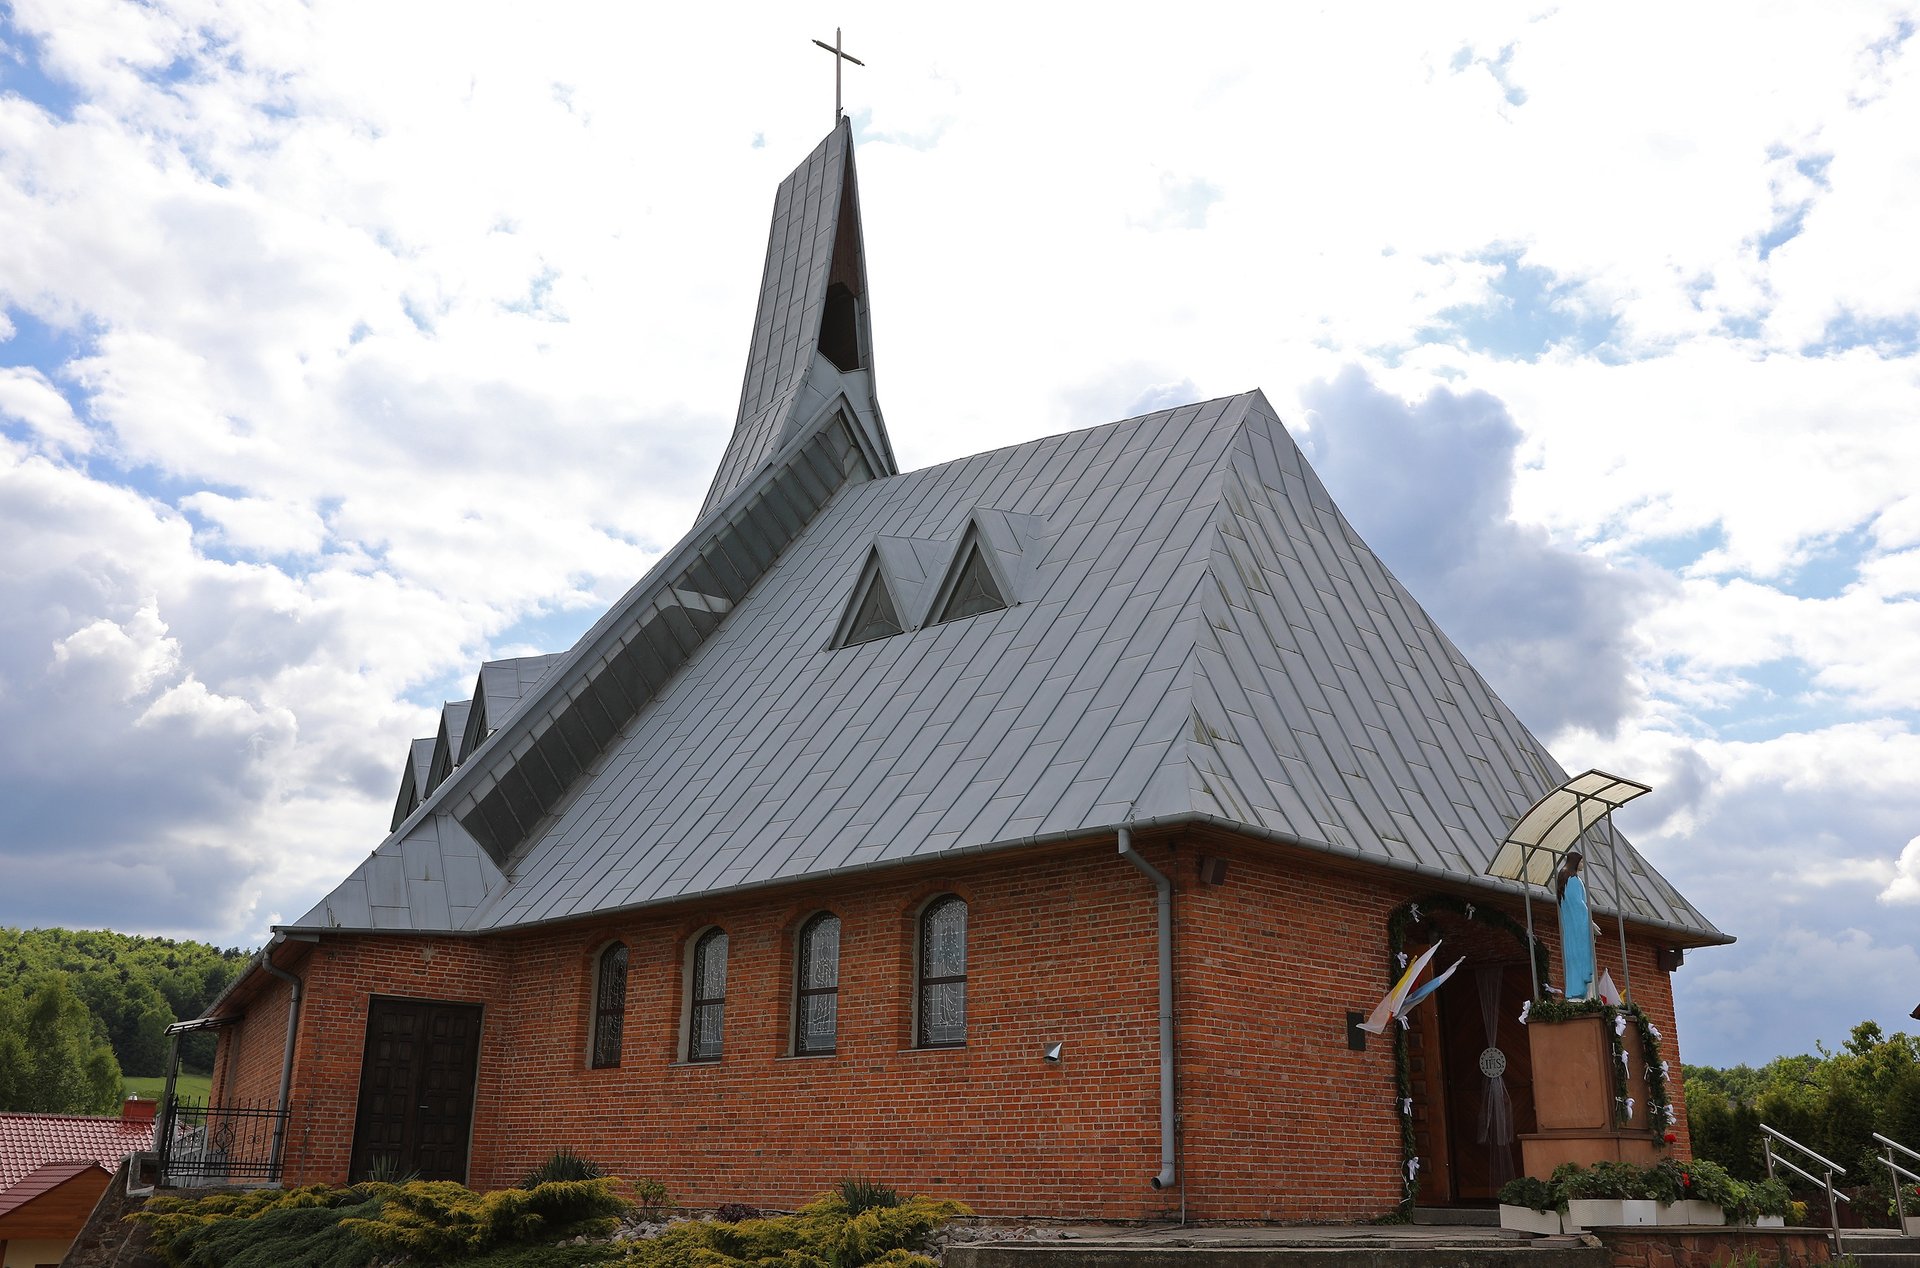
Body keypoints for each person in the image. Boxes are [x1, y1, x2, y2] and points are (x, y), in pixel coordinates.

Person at [1556, 849, 1597, 1000]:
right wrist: (1589, 921)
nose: (1583, 865)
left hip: (1574, 924)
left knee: (1575, 955)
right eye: (1581, 862)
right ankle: (1576, 990)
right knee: (1578, 955)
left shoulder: (1570, 878)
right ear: (1575, 862)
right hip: (1577, 925)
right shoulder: (1571, 879)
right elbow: (1577, 904)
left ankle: (1580, 991)